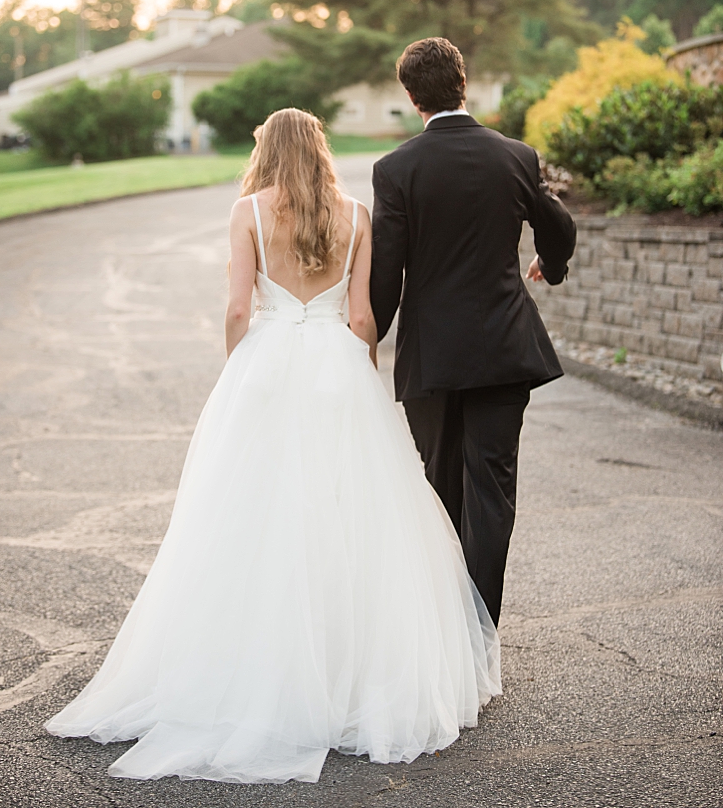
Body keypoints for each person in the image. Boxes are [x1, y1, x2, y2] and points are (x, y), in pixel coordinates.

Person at [46, 108, 500, 784]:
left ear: (267, 151)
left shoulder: (247, 212)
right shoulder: (355, 214)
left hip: (268, 367)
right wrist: (361, 377)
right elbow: (363, 315)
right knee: (351, 518)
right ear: (318, 150)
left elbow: (236, 308)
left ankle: (255, 671)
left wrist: (238, 367)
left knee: (249, 518)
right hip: (337, 367)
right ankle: (349, 676)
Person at [370, 37, 577, 626]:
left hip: (432, 358)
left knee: (441, 486)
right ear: (464, 82)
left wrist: (367, 341)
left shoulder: (396, 170)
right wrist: (551, 266)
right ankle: (480, 630)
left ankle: (445, 631)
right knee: (493, 490)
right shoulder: (516, 155)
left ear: (412, 97)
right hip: (504, 348)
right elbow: (558, 223)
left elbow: (387, 271)